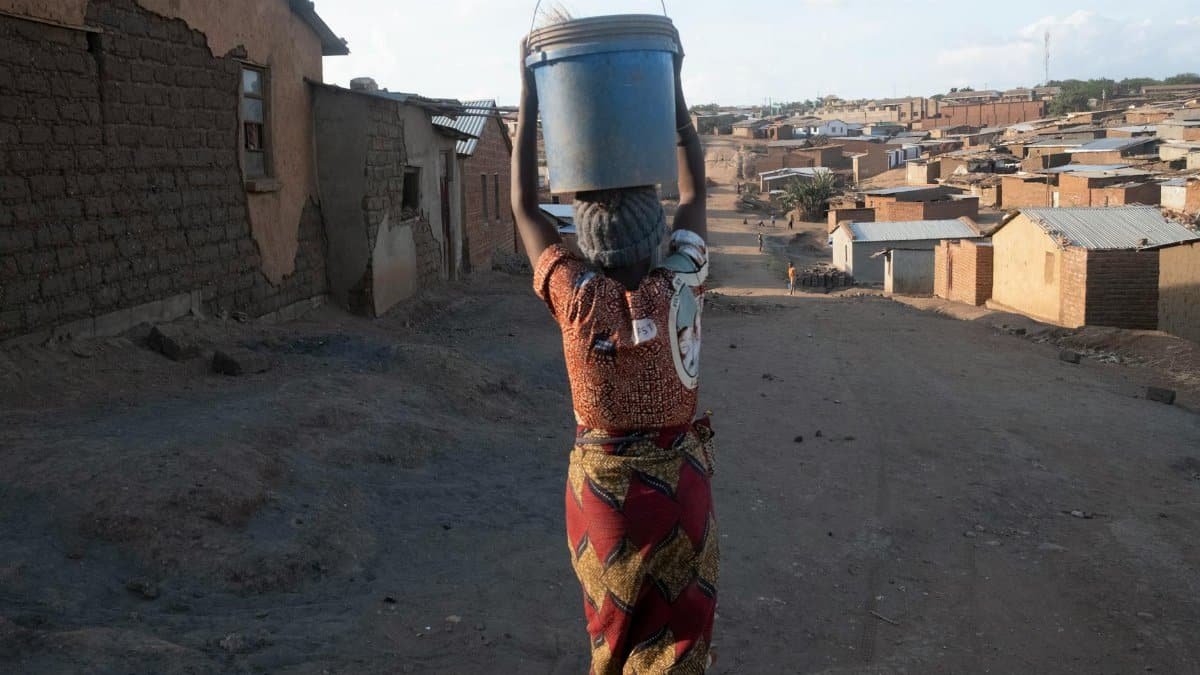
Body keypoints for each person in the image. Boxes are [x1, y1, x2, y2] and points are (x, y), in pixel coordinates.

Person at [511, 35, 718, 674]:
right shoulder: (679, 281)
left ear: (586, 245)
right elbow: (696, 189)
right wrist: (674, 81)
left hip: (604, 498)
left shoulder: (576, 300)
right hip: (679, 490)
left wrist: (530, 90)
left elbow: (523, 205)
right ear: (655, 239)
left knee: (615, 643)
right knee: (678, 645)